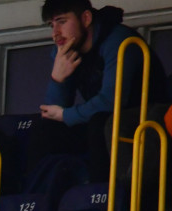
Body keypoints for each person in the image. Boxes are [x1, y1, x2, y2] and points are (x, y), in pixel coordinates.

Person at [40, 0, 167, 179]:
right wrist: (58, 79)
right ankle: (44, 201)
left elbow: (111, 102)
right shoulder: (65, 49)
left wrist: (65, 115)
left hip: (146, 120)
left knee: (100, 123)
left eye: (61, 22)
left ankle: (100, 198)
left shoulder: (119, 40)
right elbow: (50, 114)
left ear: (85, 18)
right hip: (103, 121)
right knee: (46, 131)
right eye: (51, 25)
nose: (55, 33)